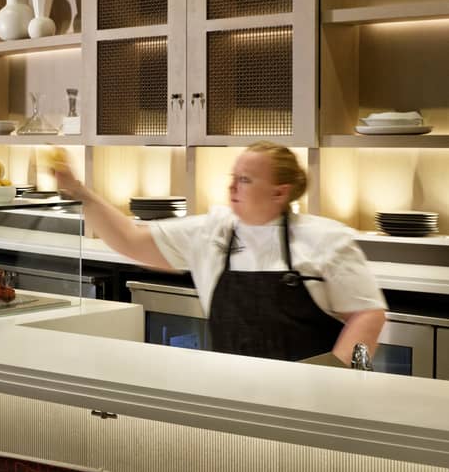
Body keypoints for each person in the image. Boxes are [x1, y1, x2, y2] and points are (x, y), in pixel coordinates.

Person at [51, 141, 386, 364]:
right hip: (231, 392)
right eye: (233, 177)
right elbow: (130, 238)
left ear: (279, 192)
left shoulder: (325, 239)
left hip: (310, 399)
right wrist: (79, 192)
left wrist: (337, 377)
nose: (232, 186)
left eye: (245, 179)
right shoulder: (212, 232)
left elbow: (367, 313)